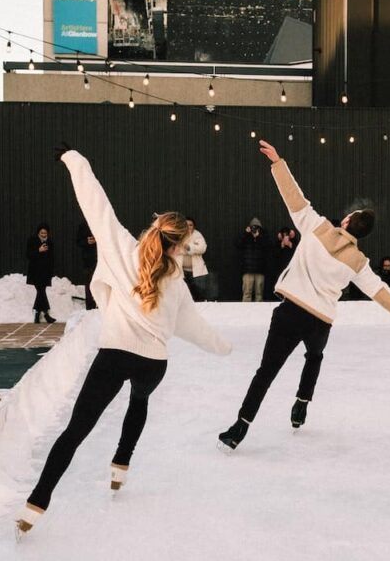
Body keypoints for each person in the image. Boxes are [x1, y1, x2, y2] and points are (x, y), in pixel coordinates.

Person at [16, 147, 231, 534]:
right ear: (179, 245)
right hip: (153, 363)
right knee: (140, 399)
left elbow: (94, 200)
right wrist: (222, 346)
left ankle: (37, 502)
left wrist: (74, 159)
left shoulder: (121, 247)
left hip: (114, 354)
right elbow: (192, 326)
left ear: (154, 230)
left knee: (76, 430)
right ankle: (121, 464)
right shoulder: (177, 282)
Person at [218, 140, 390, 451]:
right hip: (319, 321)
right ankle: (302, 403)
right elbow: (382, 294)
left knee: (266, 372)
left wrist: (278, 163)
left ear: (346, 222)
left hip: (290, 313)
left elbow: (293, 196)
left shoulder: (317, 227)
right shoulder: (359, 262)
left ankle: (240, 427)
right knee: (314, 356)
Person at [26, 223, 56, 323]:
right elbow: (28, 254)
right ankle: (46, 315)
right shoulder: (32, 240)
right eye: (42, 232)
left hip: (45, 272)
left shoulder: (50, 242)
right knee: (41, 291)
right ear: (38, 232)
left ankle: (38, 314)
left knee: (41, 292)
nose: (43, 234)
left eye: (45, 233)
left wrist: (51, 271)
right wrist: (38, 250)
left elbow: (52, 258)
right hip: (35, 272)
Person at [237, 217, 268, 301]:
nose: (254, 229)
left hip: (260, 269)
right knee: (247, 293)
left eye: (257, 227)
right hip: (247, 269)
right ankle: (245, 312)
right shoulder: (246, 237)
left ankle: (259, 312)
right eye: (253, 227)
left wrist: (258, 237)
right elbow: (238, 244)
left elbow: (268, 247)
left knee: (259, 294)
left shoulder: (264, 237)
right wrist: (245, 233)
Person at [181, 217, 210, 301]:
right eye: (186, 225)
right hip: (181, 271)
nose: (188, 227)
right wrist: (192, 247)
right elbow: (177, 248)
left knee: (199, 293)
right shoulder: (178, 235)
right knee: (185, 295)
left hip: (196, 271)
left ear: (193, 226)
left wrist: (189, 247)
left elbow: (202, 248)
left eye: (190, 225)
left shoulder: (198, 235)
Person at [76, 222, 98, 310]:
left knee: (98, 282)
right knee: (88, 283)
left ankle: (98, 304)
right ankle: (90, 306)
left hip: (99, 258)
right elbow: (78, 241)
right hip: (87, 259)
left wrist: (97, 240)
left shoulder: (99, 222)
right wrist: (87, 241)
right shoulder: (83, 226)